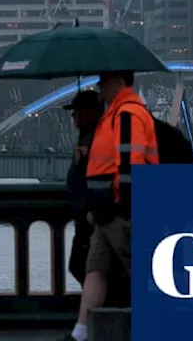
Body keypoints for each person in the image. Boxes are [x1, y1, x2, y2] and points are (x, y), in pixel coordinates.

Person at [63, 71, 158, 341]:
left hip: (118, 209)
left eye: (103, 82)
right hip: (105, 210)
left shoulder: (128, 113)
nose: (99, 87)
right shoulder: (115, 114)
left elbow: (130, 165)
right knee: (95, 269)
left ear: (118, 82)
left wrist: (127, 207)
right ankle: (81, 332)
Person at [62, 90, 131, 306]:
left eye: (76, 112)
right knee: (94, 268)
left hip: (97, 216)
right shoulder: (88, 139)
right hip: (91, 216)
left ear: (90, 113)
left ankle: (107, 317)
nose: (73, 117)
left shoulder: (100, 139)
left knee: (89, 267)